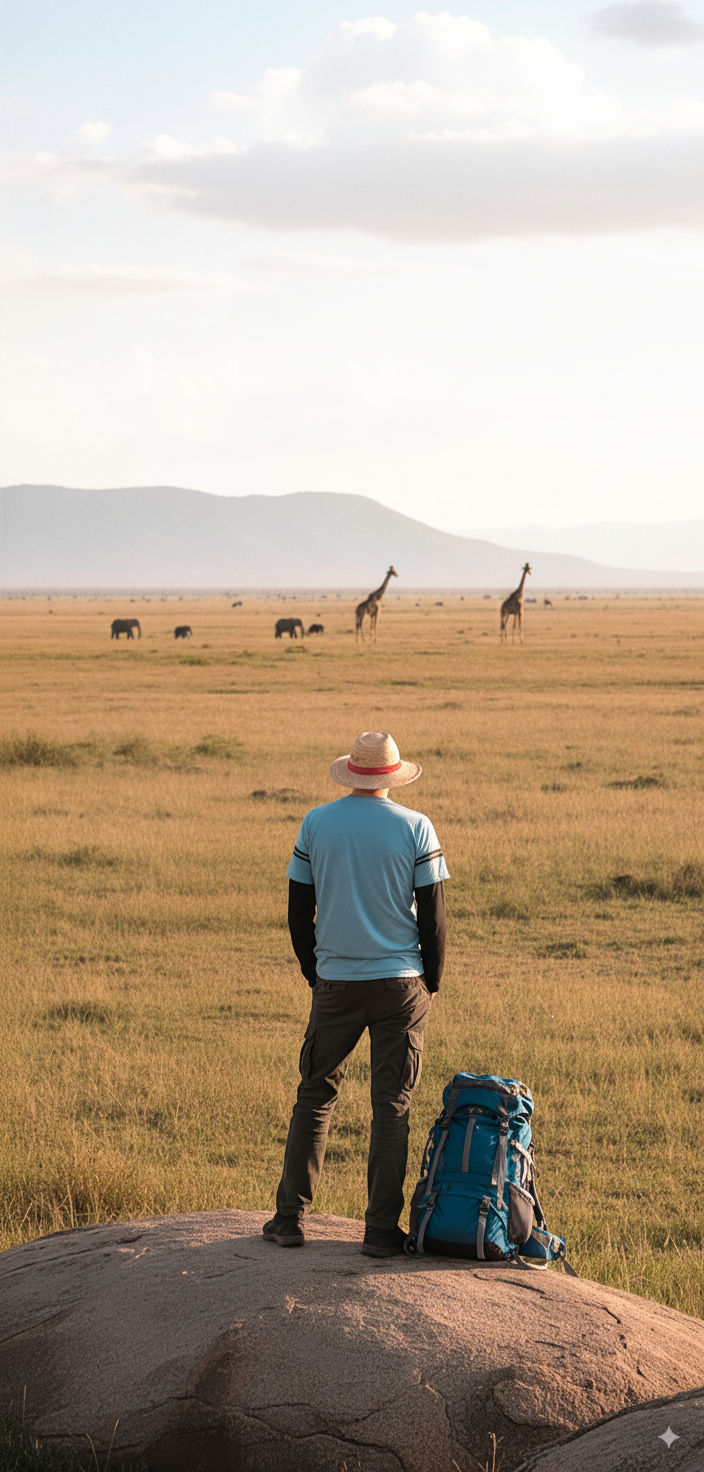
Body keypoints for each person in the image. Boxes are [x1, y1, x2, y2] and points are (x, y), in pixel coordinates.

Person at [263, 729, 449, 1258]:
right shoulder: (417, 827)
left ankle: (289, 1219)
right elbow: (433, 917)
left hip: (336, 983)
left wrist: (314, 971)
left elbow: (299, 910)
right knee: (392, 1106)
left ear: (351, 772)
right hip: (400, 985)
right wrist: (429, 982)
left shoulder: (317, 823)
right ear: (393, 775)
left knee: (315, 1096)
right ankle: (380, 1232)